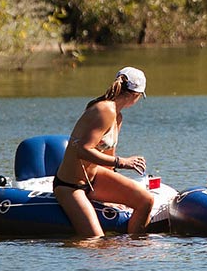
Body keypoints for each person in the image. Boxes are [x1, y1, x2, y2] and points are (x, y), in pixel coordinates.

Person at [51, 66, 155, 238]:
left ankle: (136, 247)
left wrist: (111, 196)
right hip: (71, 186)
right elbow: (83, 150)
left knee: (146, 201)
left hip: (95, 179)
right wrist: (123, 162)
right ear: (135, 95)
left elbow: (108, 157)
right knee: (96, 240)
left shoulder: (117, 116)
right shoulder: (104, 110)